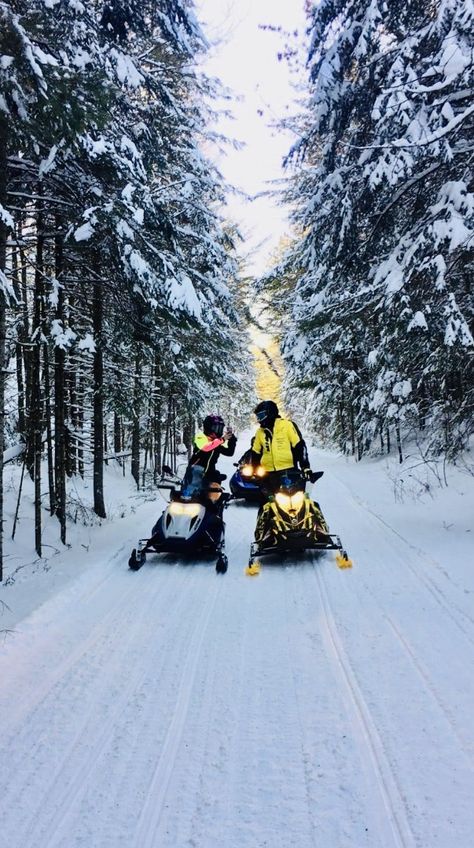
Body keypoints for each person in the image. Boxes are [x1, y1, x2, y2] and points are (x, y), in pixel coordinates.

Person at [250, 400, 310, 489]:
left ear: (270, 413)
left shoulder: (287, 425)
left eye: (261, 416)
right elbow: (255, 452)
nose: (259, 420)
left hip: (288, 471)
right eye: (258, 417)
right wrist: (255, 470)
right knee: (267, 501)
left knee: (296, 498)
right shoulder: (260, 432)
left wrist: (305, 467)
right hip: (267, 474)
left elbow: (299, 446)